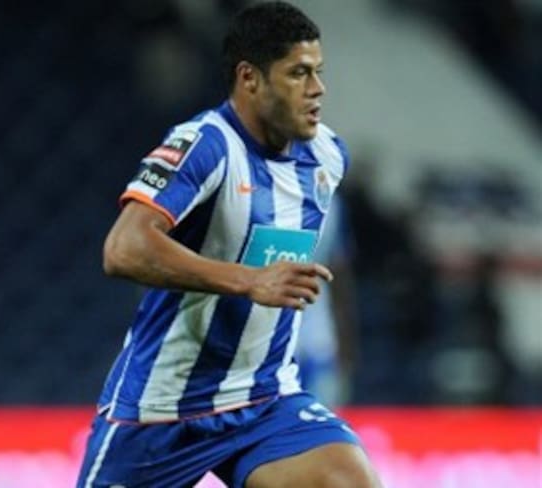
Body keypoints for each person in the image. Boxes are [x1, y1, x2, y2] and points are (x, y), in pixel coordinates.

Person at [76, 2, 382, 487]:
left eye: (318, 72)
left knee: (348, 480)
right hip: (162, 409)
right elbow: (124, 249)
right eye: (298, 73)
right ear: (249, 78)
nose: (317, 89)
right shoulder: (204, 145)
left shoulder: (327, 157)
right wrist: (249, 280)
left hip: (264, 400)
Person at [297, 194, 358, 407]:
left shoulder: (331, 199)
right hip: (264, 339)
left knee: (320, 413)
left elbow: (338, 271)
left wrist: (345, 339)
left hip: (317, 336)